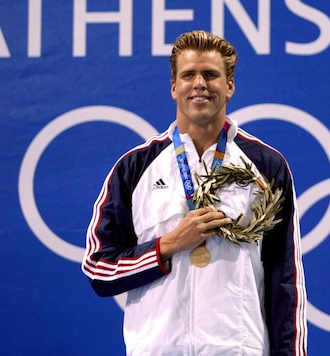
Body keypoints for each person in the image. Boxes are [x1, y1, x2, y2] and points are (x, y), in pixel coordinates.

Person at [82, 30, 308, 355]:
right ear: (174, 87)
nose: (199, 83)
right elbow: (99, 269)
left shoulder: (266, 167)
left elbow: (286, 281)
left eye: (211, 75)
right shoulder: (134, 169)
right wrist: (169, 245)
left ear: (229, 86)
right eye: (188, 75)